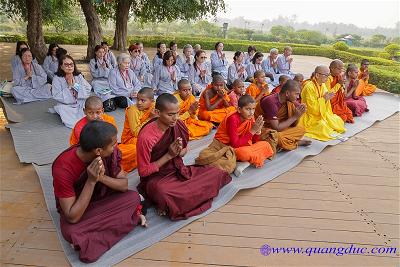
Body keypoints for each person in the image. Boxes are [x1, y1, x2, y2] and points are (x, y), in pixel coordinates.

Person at [53, 120, 146, 263]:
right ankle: (127, 219)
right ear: (98, 151)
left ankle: (88, 238)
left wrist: (101, 178)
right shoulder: (63, 167)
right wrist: (91, 181)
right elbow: (72, 216)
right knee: (71, 231)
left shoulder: (109, 153)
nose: (116, 147)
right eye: (113, 144)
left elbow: (123, 185)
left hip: (104, 199)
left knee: (133, 197)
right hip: (81, 208)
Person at [136, 93, 232, 220]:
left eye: (177, 113)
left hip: (179, 170)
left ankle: (178, 201)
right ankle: (173, 201)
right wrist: (169, 156)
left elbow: (184, 151)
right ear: (158, 112)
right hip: (157, 177)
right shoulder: (146, 137)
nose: (175, 118)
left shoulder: (178, 124)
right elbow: (143, 172)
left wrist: (180, 151)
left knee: (216, 172)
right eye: (170, 115)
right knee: (162, 192)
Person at [214, 95, 274, 168]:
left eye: (253, 109)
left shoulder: (250, 117)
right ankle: (246, 161)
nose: (252, 112)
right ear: (239, 109)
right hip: (226, 146)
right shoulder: (233, 119)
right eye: (248, 109)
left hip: (243, 144)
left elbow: (254, 141)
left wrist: (258, 131)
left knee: (266, 144)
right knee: (242, 153)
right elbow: (235, 144)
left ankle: (246, 162)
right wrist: (252, 131)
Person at [256, 80, 310, 150]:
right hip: (263, 129)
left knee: (301, 129)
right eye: (296, 94)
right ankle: (294, 142)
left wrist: (301, 109)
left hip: (278, 127)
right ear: (287, 93)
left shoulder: (288, 100)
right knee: (276, 136)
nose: (298, 97)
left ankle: (284, 143)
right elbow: (277, 128)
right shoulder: (271, 102)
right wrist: (295, 117)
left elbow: (298, 108)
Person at [298, 65, 346, 141]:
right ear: (317, 75)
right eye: (326, 75)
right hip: (310, 116)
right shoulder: (309, 87)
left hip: (322, 113)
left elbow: (327, 101)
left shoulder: (322, 85)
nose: (327, 77)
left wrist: (326, 99)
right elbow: (312, 109)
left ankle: (327, 124)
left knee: (337, 120)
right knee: (322, 126)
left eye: (328, 75)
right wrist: (324, 99)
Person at [119, 87, 156, 172]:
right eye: (137, 99)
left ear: (152, 101)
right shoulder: (133, 110)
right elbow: (136, 132)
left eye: (143, 100)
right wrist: (150, 118)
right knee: (141, 148)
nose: (139, 103)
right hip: (131, 139)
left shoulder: (153, 107)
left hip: (147, 135)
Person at [52, 55, 92, 128]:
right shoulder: (57, 78)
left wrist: (75, 85)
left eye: (71, 64)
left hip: (80, 102)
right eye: (66, 65)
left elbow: (87, 89)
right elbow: (56, 95)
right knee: (62, 109)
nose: (69, 66)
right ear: (61, 66)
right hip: (66, 105)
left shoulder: (78, 76)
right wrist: (69, 87)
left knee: (90, 105)